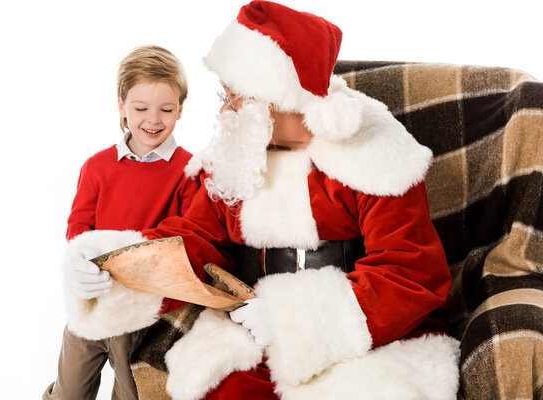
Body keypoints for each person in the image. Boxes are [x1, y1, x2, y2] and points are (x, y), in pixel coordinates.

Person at [61, 2, 461, 399]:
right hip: (253, 333)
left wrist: (292, 321)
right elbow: (195, 236)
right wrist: (112, 263)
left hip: (366, 335)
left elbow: (410, 273)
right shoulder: (240, 155)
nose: (225, 109)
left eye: (237, 96)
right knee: (224, 387)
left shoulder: (375, 158)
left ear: (281, 99)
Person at [44, 45, 200, 400]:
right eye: (140, 108)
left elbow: (188, 238)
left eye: (167, 109)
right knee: (68, 392)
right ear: (121, 106)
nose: (153, 119)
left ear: (181, 110)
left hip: (144, 315)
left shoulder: (190, 170)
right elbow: (78, 227)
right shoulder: (97, 166)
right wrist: (77, 263)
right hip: (92, 306)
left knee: (136, 394)